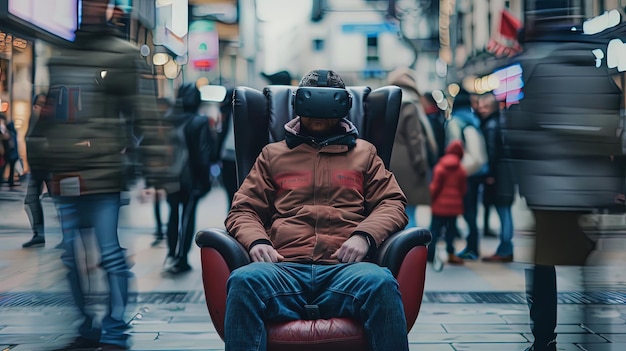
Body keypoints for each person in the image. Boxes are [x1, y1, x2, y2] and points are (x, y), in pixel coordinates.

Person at [224, 69, 410, 351]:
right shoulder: (273, 155)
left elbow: (392, 203)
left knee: (381, 283)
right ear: (299, 106)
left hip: (345, 271)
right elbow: (243, 209)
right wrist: (257, 241)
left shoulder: (364, 154)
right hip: (284, 268)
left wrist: (364, 236)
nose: (319, 118)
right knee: (244, 281)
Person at [30, 1, 173, 350]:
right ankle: (87, 325)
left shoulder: (122, 55)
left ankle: (114, 329)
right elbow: (48, 114)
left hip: (104, 173)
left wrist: (156, 171)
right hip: (65, 172)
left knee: (109, 253)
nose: (93, 8)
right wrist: (38, 162)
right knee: (69, 256)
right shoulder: (61, 56)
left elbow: (144, 113)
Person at [163, 84, 215, 274]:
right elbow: (203, 154)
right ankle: (182, 257)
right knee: (188, 215)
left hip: (170, 175)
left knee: (173, 214)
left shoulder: (168, 118)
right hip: (190, 176)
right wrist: (205, 179)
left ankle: (170, 253)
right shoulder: (199, 121)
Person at [387, 67, 437, 227]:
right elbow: (416, 141)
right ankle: (410, 250)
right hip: (409, 166)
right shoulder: (410, 104)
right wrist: (422, 166)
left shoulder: (386, 101)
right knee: (410, 214)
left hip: (388, 164)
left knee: (394, 213)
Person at [445, 89, 488, 260]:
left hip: (461, 172)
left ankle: (452, 248)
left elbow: (453, 148)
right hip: (476, 173)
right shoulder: (474, 120)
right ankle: (473, 247)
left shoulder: (454, 122)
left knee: (453, 210)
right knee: (472, 212)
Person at [477, 93, 516, 262]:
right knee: (505, 212)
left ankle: (505, 248)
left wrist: (490, 174)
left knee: (504, 212)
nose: (480, 109)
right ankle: (506, 247)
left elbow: (491, 152)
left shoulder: (491, 126)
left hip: (499, 176)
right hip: (506, 174)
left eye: (484, 106)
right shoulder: (502, 123)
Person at [428, 140, 467, 267]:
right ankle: (451, 254)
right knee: (451, 231)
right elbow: (463, 189)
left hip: (439, 206)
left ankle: (430, 254)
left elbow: (435, 187)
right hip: (454, 207)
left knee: (434, 230)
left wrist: (431, 199)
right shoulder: (461, 169)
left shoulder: (440, 166)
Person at [22, 93, 50, 248]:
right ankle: (38, 234)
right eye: (38, 105)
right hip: (37, 168)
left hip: (48, 167)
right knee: (31, 200)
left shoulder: (48, 121)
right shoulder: (34, 120)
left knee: (60, 201)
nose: (39, 108)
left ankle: (71, 235)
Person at [0, 114, 19, 189]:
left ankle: (5, 180)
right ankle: (8, 181)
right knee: (4, 167)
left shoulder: (6, 128)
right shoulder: (6, 128)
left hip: (7, 151)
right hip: (6, 152)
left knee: (4, 167)